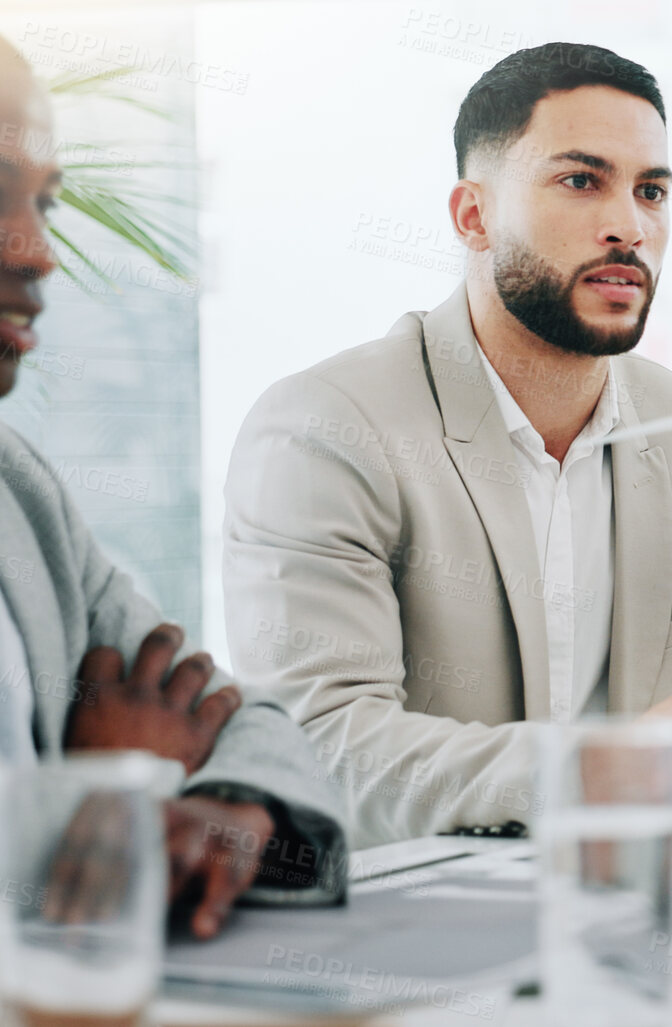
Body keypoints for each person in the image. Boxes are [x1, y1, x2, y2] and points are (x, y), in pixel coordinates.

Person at [221, 43, 672, 847]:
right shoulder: (325, 426)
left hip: (645, 912)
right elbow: (320, 746)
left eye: (651, 192)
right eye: (581, 181)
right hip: (412, 933)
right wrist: (604, 768)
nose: (629, 227)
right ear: (473, 216)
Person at [0, 38, 346, 938]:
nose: (38, 252)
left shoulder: (19, 491)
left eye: (41, 201)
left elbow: (244, 712)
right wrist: (115, 789)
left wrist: (228, 805)